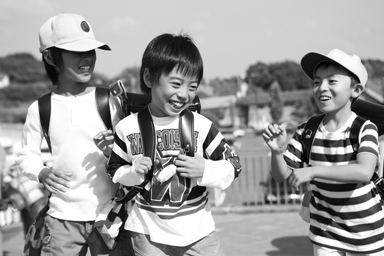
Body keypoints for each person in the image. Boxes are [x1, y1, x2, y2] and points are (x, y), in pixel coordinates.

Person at [107, 33, 242, 256]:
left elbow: (234, 165)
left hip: (199, 235)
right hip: (147, 235)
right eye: (176, 84)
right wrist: (132, 172)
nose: (184, 94)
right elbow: (114, 169)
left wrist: (205, 169)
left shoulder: (202, 126)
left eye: (192, 87)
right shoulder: (127, 127)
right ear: (149, 78)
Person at [16, 13, 123, 256]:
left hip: (109, 217)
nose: (87, 58)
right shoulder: (41, 109)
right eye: (76, 51)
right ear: (51, 57)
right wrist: (41, 172)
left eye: (91, 50)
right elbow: (26, 156)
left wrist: (114, 151)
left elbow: (132, 152)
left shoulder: (110, 101)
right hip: (61, 220)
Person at [262, 48, 384, 255]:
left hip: (365, 234)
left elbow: (364, 171)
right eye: (317, 82)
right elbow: (281, 175)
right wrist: (277, 152)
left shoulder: (364, 128)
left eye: (332, 81)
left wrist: (312, 171)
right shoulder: (307, 130)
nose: (321, 88)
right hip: (324, 232)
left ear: (355, 90)